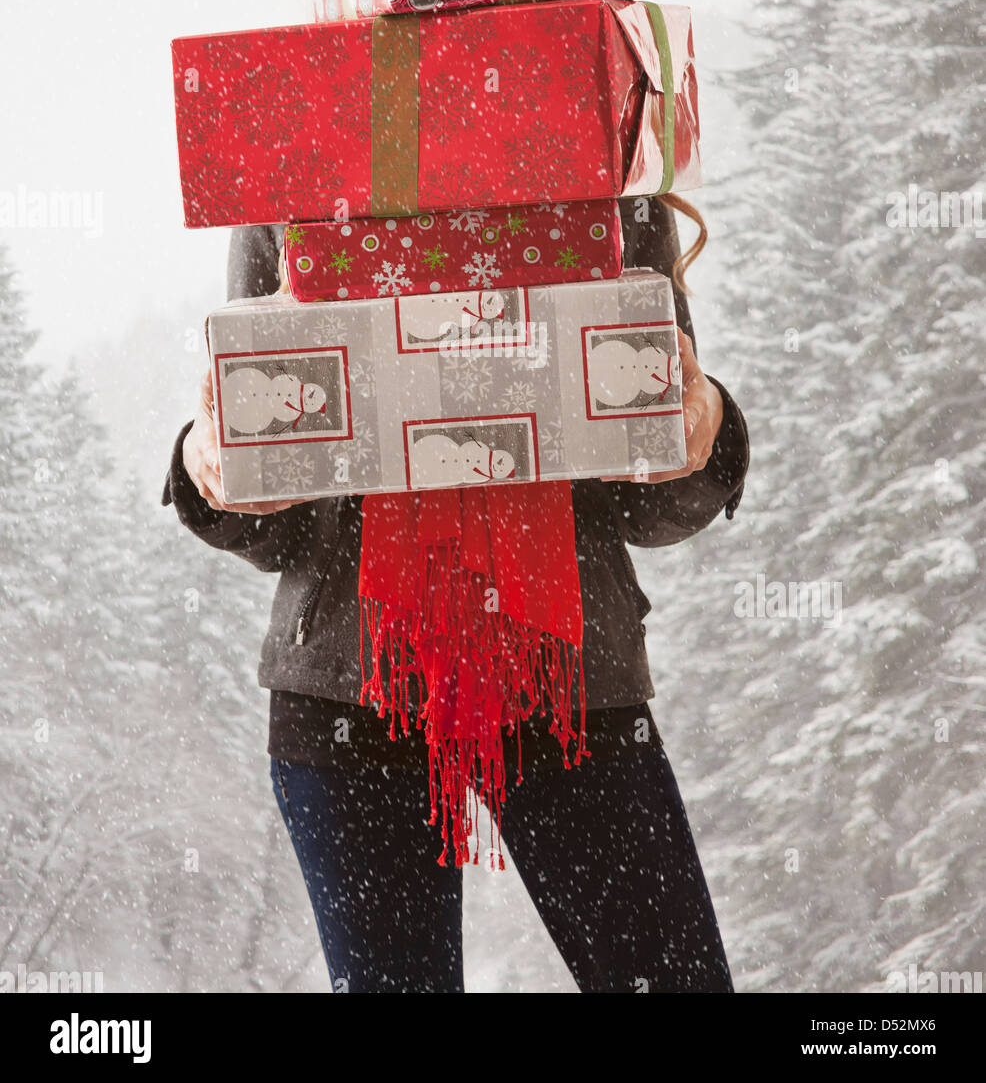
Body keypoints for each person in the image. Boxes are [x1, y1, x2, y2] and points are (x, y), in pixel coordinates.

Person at [162, 194, 749, 994]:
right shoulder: (298, 144)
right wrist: (210, 465)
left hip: (567, 676)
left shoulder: (601, 138)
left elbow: (645, 485)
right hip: (350, 693)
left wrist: (706, 425)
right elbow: (282, 508)